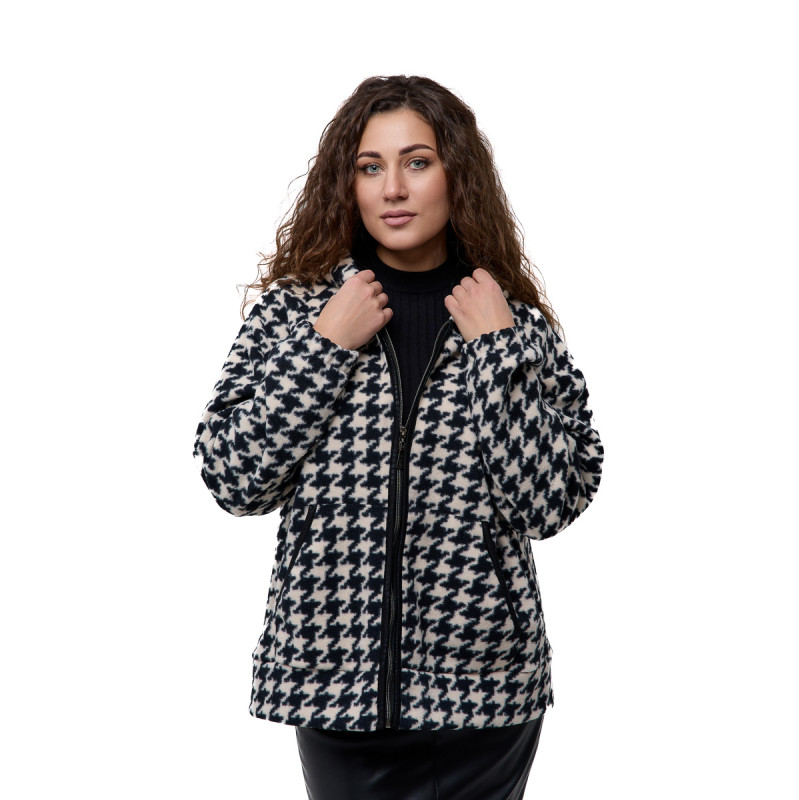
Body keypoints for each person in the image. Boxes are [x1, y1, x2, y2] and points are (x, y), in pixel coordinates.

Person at [193, 75, 604, 800]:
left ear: (456, 175)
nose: (393, 188)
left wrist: (497, 353)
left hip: (483, 687)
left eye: (417, 162)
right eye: (369, 166)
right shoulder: (296, 313)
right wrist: (324, 346)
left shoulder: (512, 324)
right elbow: (233, 478)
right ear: (346, 184)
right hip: (335, 681)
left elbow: (554, 503)